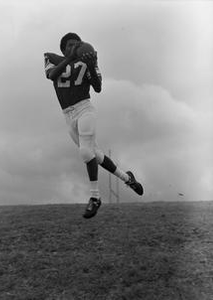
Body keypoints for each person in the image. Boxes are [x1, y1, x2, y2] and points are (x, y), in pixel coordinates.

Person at [44, 32, 143, 219]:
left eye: (77, 44)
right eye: (71, 45)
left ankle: (95, 197)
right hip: (68, 115)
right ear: (63, 49)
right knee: (94, 155)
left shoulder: (87, 61)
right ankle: (128, 178)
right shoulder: (51, 58)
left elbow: (97, 88)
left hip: (84, 108)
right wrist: (70, 59)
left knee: (85, 153)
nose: (75, 47)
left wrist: (90, 64)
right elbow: (52, 75)